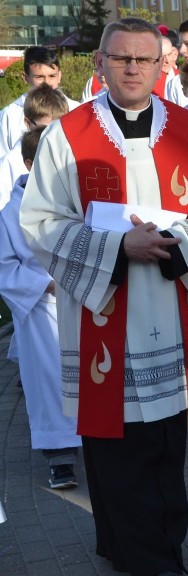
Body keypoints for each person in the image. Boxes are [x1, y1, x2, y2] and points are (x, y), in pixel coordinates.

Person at [20, 18, 188, 576]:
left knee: (164, 443)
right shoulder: (69, 134)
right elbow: (38, 221)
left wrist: (172, 242)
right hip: (103, 312)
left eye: (144, 59)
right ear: (102, 64)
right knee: (111, 441)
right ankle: (141, 554)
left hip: (170, 305)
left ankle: (152, 546)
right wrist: (117, 246)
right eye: (121, 58)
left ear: (164, 67)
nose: (132, 68)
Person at [0, 126, 82, 490]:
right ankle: (60, 459)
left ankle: (97, 447)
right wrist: (44, 284)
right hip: (42, 307)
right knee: (50, 383)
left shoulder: (74, 199)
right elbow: (5, 268)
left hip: (82, 300)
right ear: (31, 164)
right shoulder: (8, 214)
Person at [0, 46, 78, 156]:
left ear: (59, 76)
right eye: (39, 77)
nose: (47, 82)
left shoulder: (76, 110)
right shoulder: (9, 115)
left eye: (52, 76)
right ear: (25, 78)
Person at [0, 84, 69, 209]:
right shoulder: (10, 164)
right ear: (27, 122)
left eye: (58, 127)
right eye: (44, 129)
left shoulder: (68, 153)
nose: (51, 135)